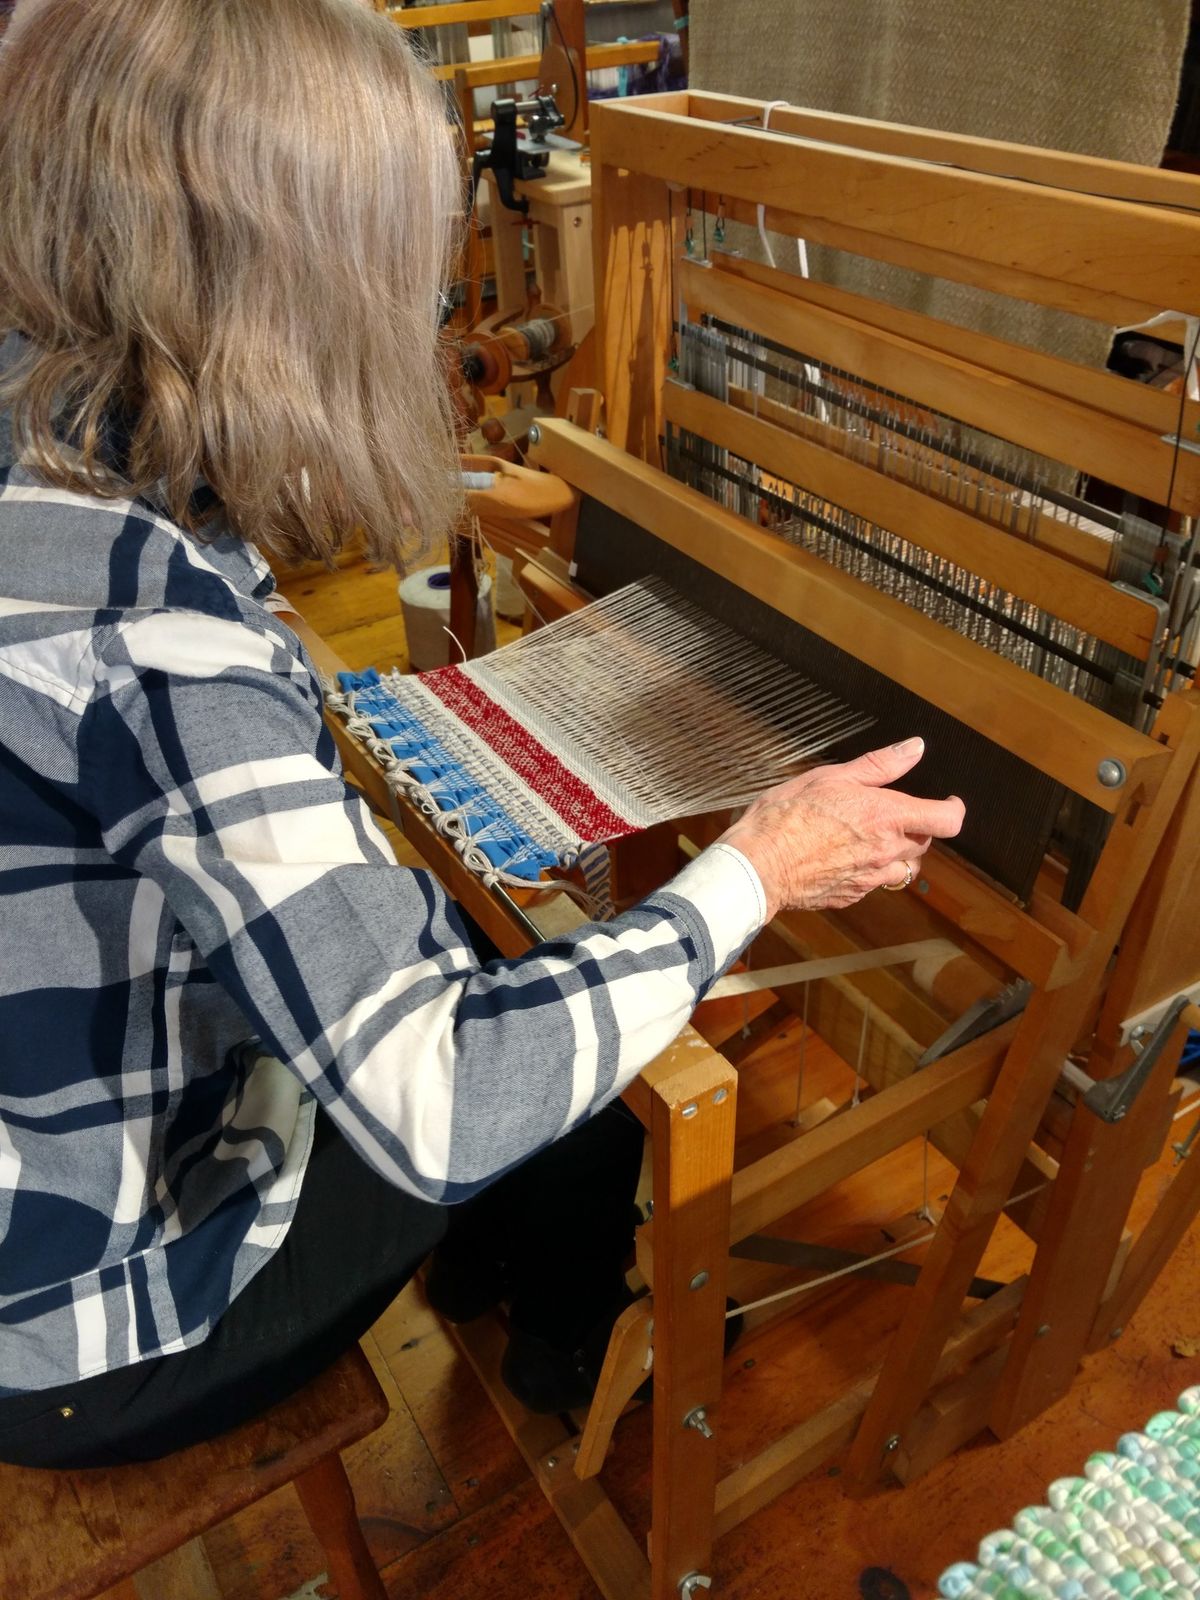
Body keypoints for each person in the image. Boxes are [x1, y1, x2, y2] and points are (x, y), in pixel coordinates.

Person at [0, 0, 964, 1467]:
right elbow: (447, 1097)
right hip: (90, 1329)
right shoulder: (150, 643)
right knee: (570, 1077)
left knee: (524, 964)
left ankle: (497, 1282)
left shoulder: (40, 443)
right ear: (296, 281)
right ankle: (568, 1345)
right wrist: (762, 864)